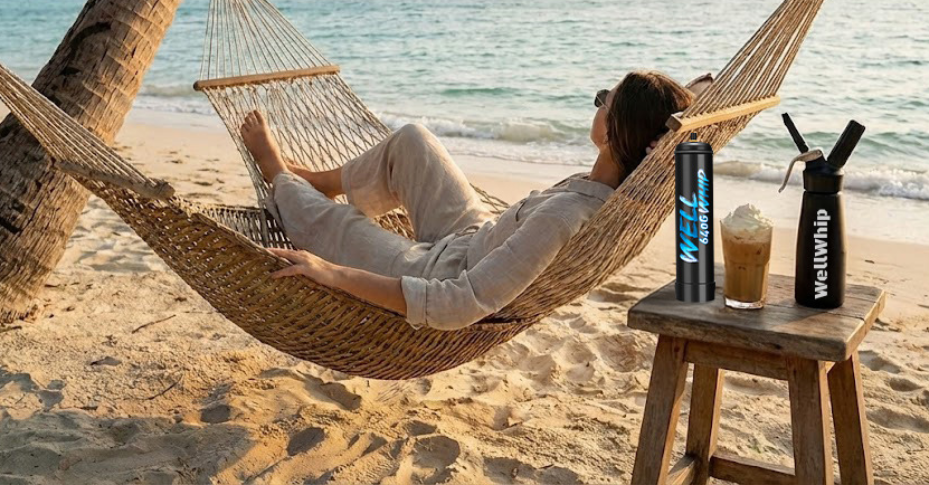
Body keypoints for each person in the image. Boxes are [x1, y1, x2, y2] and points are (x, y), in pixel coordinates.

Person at [239, 69, 707, 330]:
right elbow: (670, 118)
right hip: (472, 236)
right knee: (413, 141)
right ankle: (324, 180)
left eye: (605, 98)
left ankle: (278, 173)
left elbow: (460, 302)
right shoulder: (608, 182)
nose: (599, 102)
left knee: (339, 228)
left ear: (612, 131)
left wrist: (334, 273)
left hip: (434, 271)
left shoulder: (568, 216)